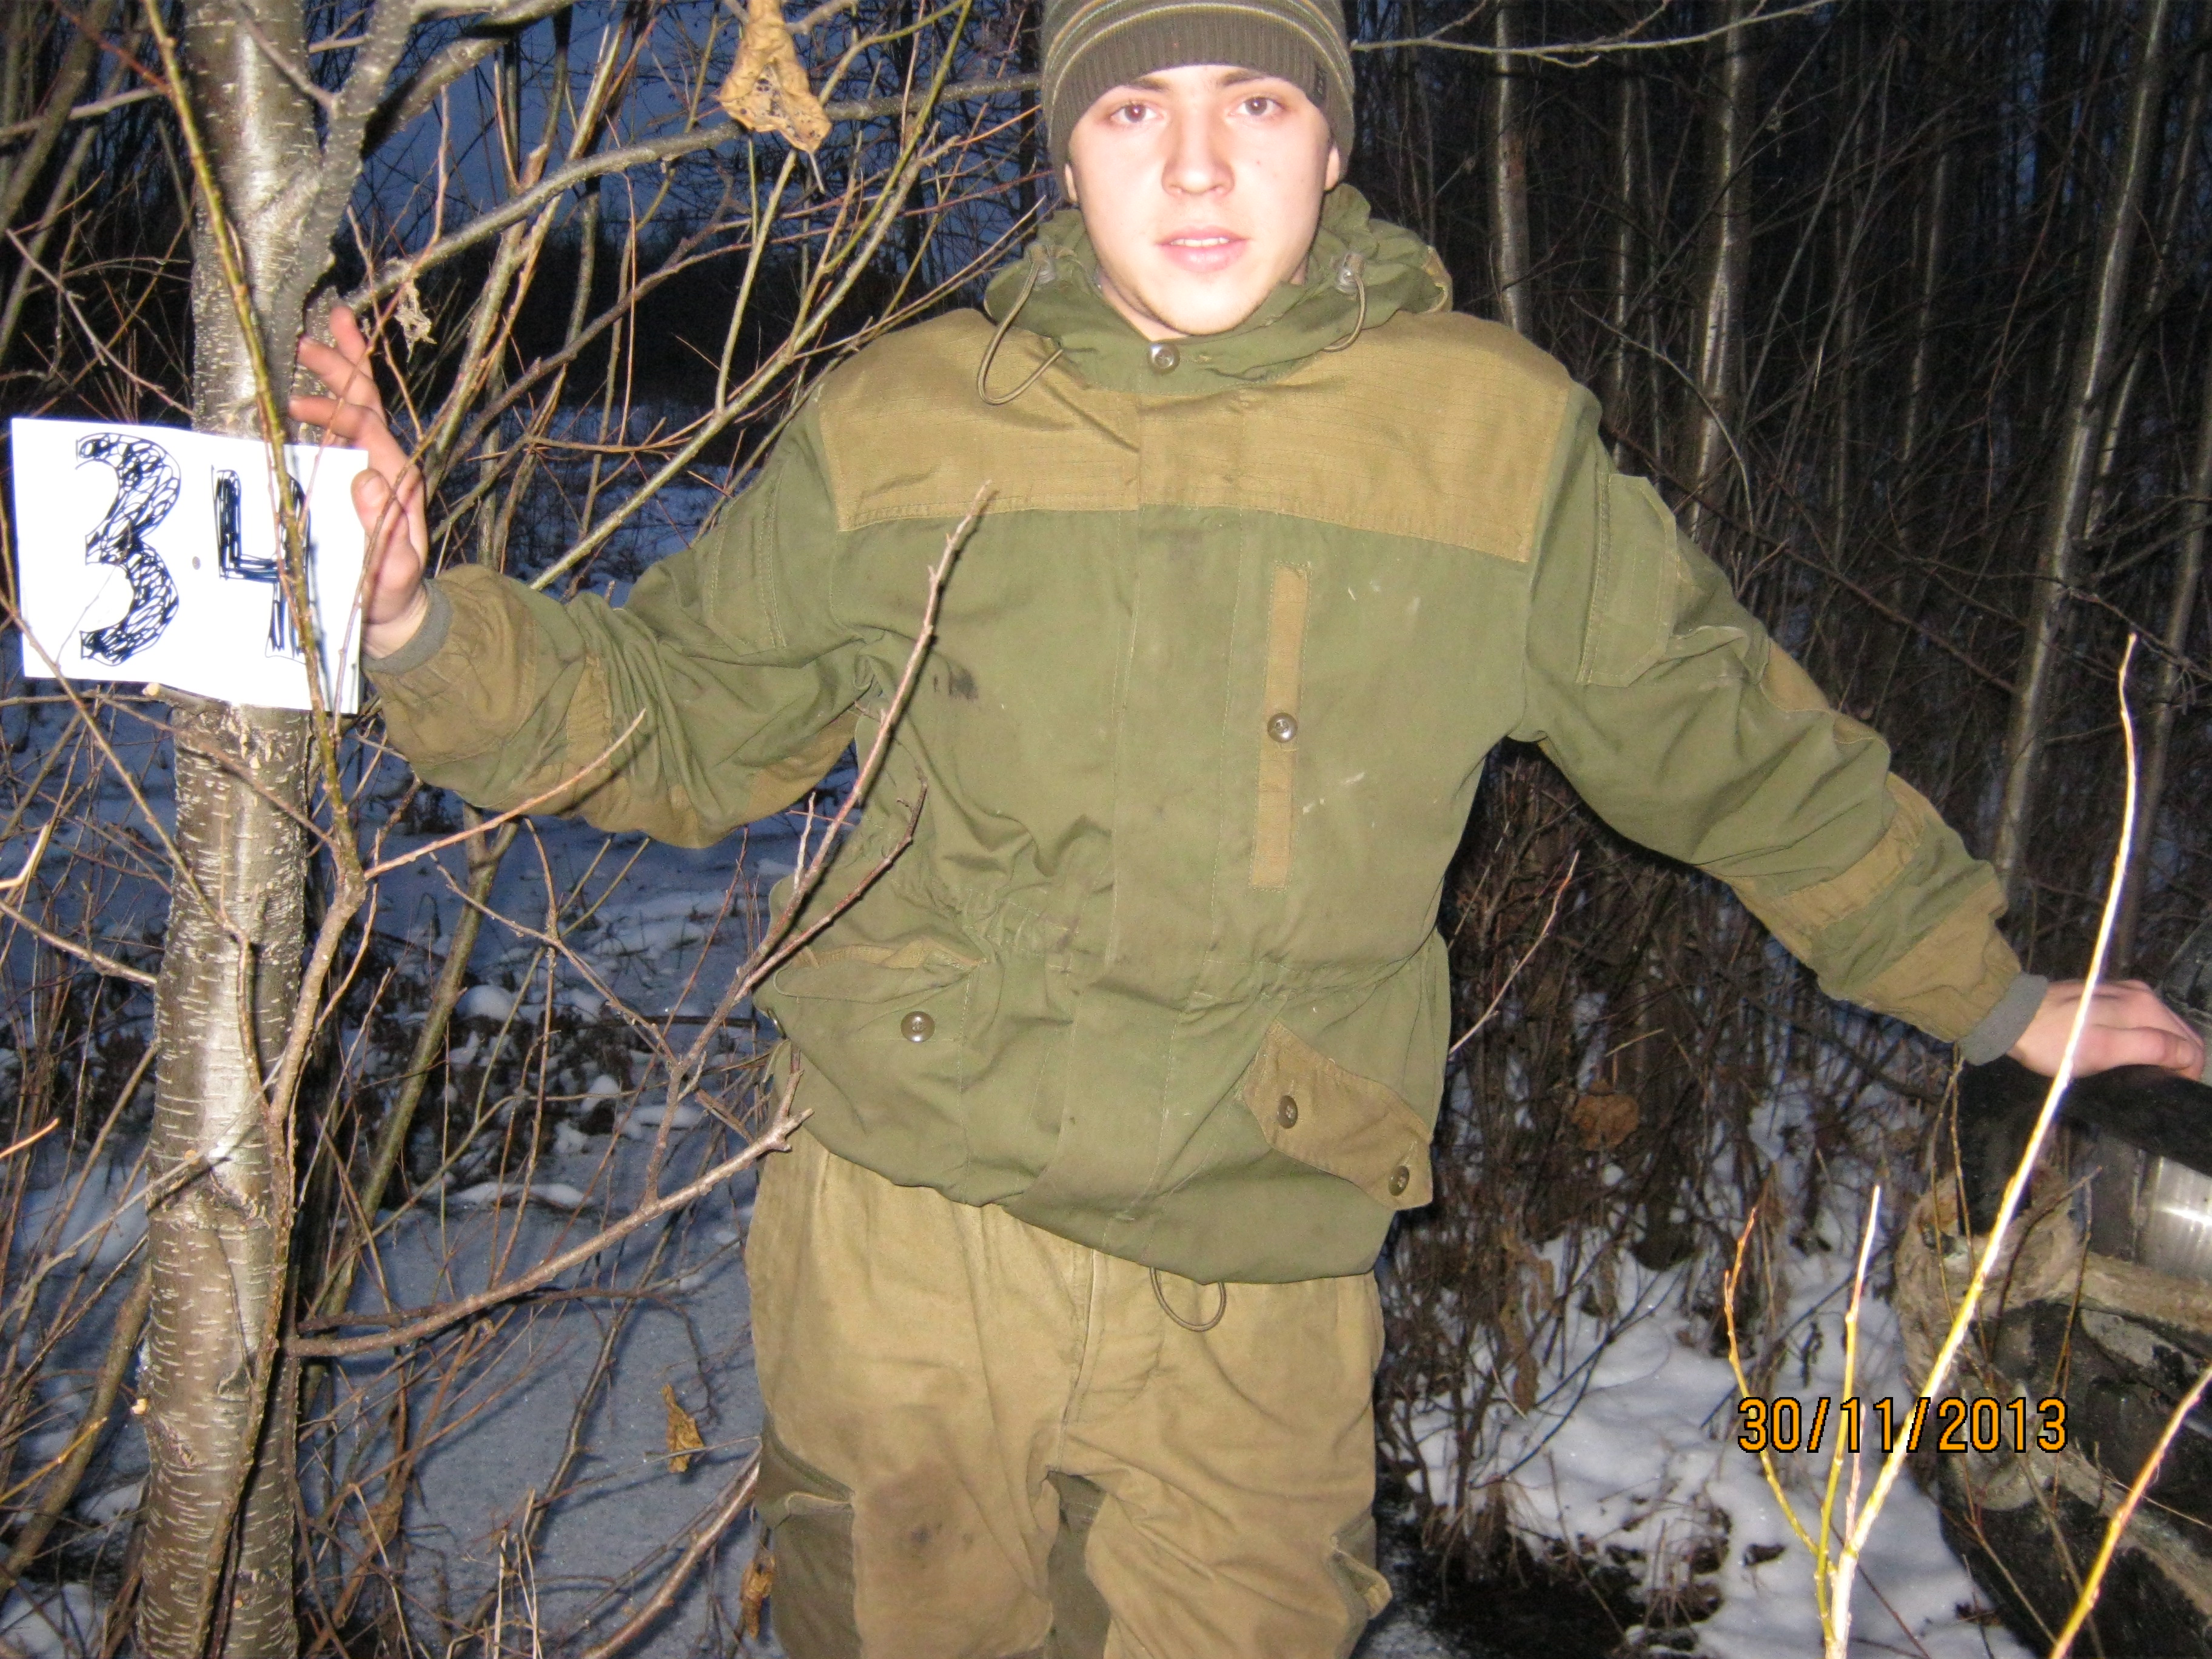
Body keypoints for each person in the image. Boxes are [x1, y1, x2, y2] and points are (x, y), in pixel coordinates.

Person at [295, 0, 2208, 1650]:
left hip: (1262, 1264)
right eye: (1135, 107)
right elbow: (679, 719)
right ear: (1065, 155)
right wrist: (411, 624)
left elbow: (1726, 740)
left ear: (1334, 144)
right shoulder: (906, 423)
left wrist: (1993, 994)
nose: (1198, 164)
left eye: (1259, 102)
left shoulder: (1486, 438)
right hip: (907, 1244)